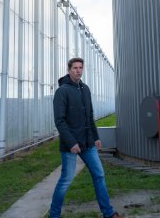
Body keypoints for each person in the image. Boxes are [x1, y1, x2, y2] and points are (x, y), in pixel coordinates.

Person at [49, 57, 120, 218]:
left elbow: (90, 116)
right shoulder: (62, 91)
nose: (78, 70)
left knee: (99, 174)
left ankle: (108, 213)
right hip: (70, 145)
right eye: (75, 68)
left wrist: (95, 137)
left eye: (81, 67)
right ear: (69, 70)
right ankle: (54, 215)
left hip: (88, 143)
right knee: (66, 180)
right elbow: (59, 121)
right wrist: (71, 142)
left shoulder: (85, 89)